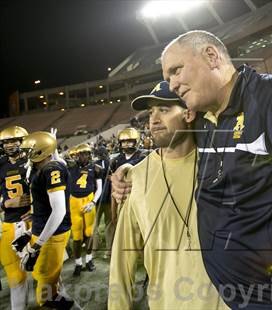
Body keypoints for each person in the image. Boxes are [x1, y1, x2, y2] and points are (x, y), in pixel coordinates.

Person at [115, 31, 272, 308]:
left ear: (211, 56)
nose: (173, 84)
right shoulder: (206, 120)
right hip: (243, 298)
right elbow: (172, 146)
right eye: (168, 78)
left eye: (176, 71)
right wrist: (128, 167)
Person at [108, 81, 228, 310]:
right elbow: (122, 260)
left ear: (189, 113)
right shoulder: (136, 177)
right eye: (151, 112)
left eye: (163, 110)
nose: (153, 120)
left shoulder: (222, 162)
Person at [17, 131, 73, 309]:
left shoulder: (51, 169)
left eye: (29, 150)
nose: (25, 154)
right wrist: (33, 223)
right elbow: (49, 205)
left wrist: (37, 245)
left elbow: (59, 211)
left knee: (46, 287)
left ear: (41, 151)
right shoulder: (48, 166)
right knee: (48, 279)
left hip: (51, 234)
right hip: (46, 229)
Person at [0, 126, 31, 310]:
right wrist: (5, 204)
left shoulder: (33, 160)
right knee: (15, 275)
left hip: (34, 223)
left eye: (14, 140)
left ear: (23, 141)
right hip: (10, 223)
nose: (10, 145)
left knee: (46, 274)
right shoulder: (1, 164)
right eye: (6, 142)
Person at [67, 143, 103, 276]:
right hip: (74, 202)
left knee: (89, 233)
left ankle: (88, 260)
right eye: (81, 154)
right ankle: (78, 263)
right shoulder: (70, 166)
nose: (84, 156)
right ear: (76, 155)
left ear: (90, 154)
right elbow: (57, 160)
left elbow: (99, 188)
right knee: (76, 236)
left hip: (88, 200)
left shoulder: (96, 168)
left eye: (86, 154)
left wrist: (93, 202)